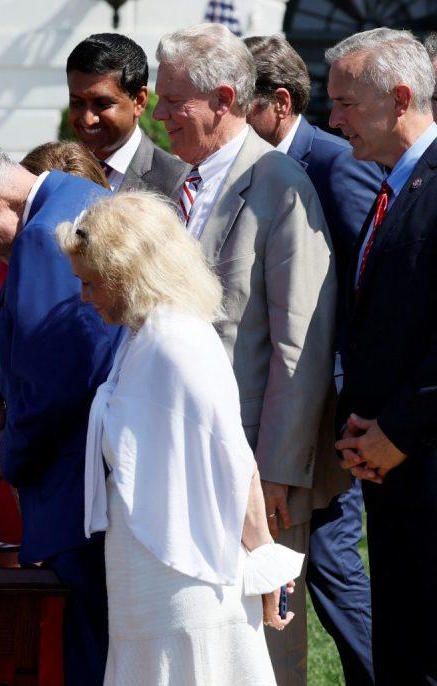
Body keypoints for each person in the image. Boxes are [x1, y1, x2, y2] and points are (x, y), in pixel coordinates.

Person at [153, 24, 339, 686]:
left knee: (263, 649)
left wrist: (279, 471)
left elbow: (300, 342)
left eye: (174, 100)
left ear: (223, 98)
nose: (159, 112)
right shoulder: (179, 183)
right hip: (177, 464)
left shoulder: (280, 184)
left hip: (256, 476)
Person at [61, 190, 303, 685]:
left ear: (128, 271)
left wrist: (264, 562)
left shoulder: (179, 341)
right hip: (144, 561)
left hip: (189, 572)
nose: (86, 298)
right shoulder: (141, 335)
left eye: (93, 283)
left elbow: (233, 460)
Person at [0, 144, 118, 685]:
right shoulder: (78, 198)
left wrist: (11, 450)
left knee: (88, 651)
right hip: (87, 474)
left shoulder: (44, 235)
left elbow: (60, 375)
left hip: (75, 487)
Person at [245, 33, 379, 686]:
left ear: (275, 103)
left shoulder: (333, 162)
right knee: (319, 561)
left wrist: (346, 399)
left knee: (330, 561)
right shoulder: (255, 167)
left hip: (328, 406)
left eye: (241, 105)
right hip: (287, 405)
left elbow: (364, 284)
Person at [327, 28, 437, 685]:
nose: (333, 120)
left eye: (346, 103)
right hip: (393, 474)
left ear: (399, 99)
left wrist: (398, 429)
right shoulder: (393, 185)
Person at [0, 141, 106, 541]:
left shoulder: (42, 244)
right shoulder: (9, 264)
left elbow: (62, 384)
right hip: (29, 468)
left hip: (68, 466)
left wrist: (9, 449)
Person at [66, 33, 189, 194]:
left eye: (102, 104)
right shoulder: (54, 171)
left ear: (139, 101)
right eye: (77, 103)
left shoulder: (177, 182)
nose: (88, 119)